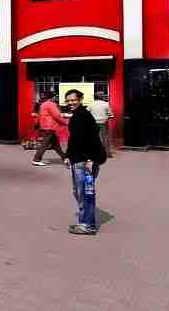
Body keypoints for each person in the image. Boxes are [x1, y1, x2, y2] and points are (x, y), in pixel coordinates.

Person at [64, 89, 107, 235]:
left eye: (73, 100)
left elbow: (93, 138)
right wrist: (68, 156)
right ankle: (84, 221)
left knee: (85, 193)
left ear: (80, 100)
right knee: (79, 191)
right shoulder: (77, 115)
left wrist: (90, 159)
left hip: (85, 162)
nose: (70, 103)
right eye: (68, 100)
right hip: (78, 160)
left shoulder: (83, 115)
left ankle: (87, 225)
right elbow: (74, 139)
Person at [32, 91, 68, 166]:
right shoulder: (51, 104)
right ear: (52, 97)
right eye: (55, 96)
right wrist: (65, 123)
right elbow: (57, 115)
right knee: (45, 144)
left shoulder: (43, 104)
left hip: (45, 126)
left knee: (55, 144)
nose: (56, 98)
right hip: (50, 127)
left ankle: (64, 157)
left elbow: (39, 115)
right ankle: (36, 159)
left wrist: (37, 124)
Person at [89, 92, 114, 158]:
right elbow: (110, 114)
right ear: (101, 97)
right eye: (103, 95)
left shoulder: (91, 104)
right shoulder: (106, 104)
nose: (104, 96)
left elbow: (87, 112)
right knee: (105, 138)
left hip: (93, 124)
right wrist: (108, 115)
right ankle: (107, 153)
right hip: (103, 123)